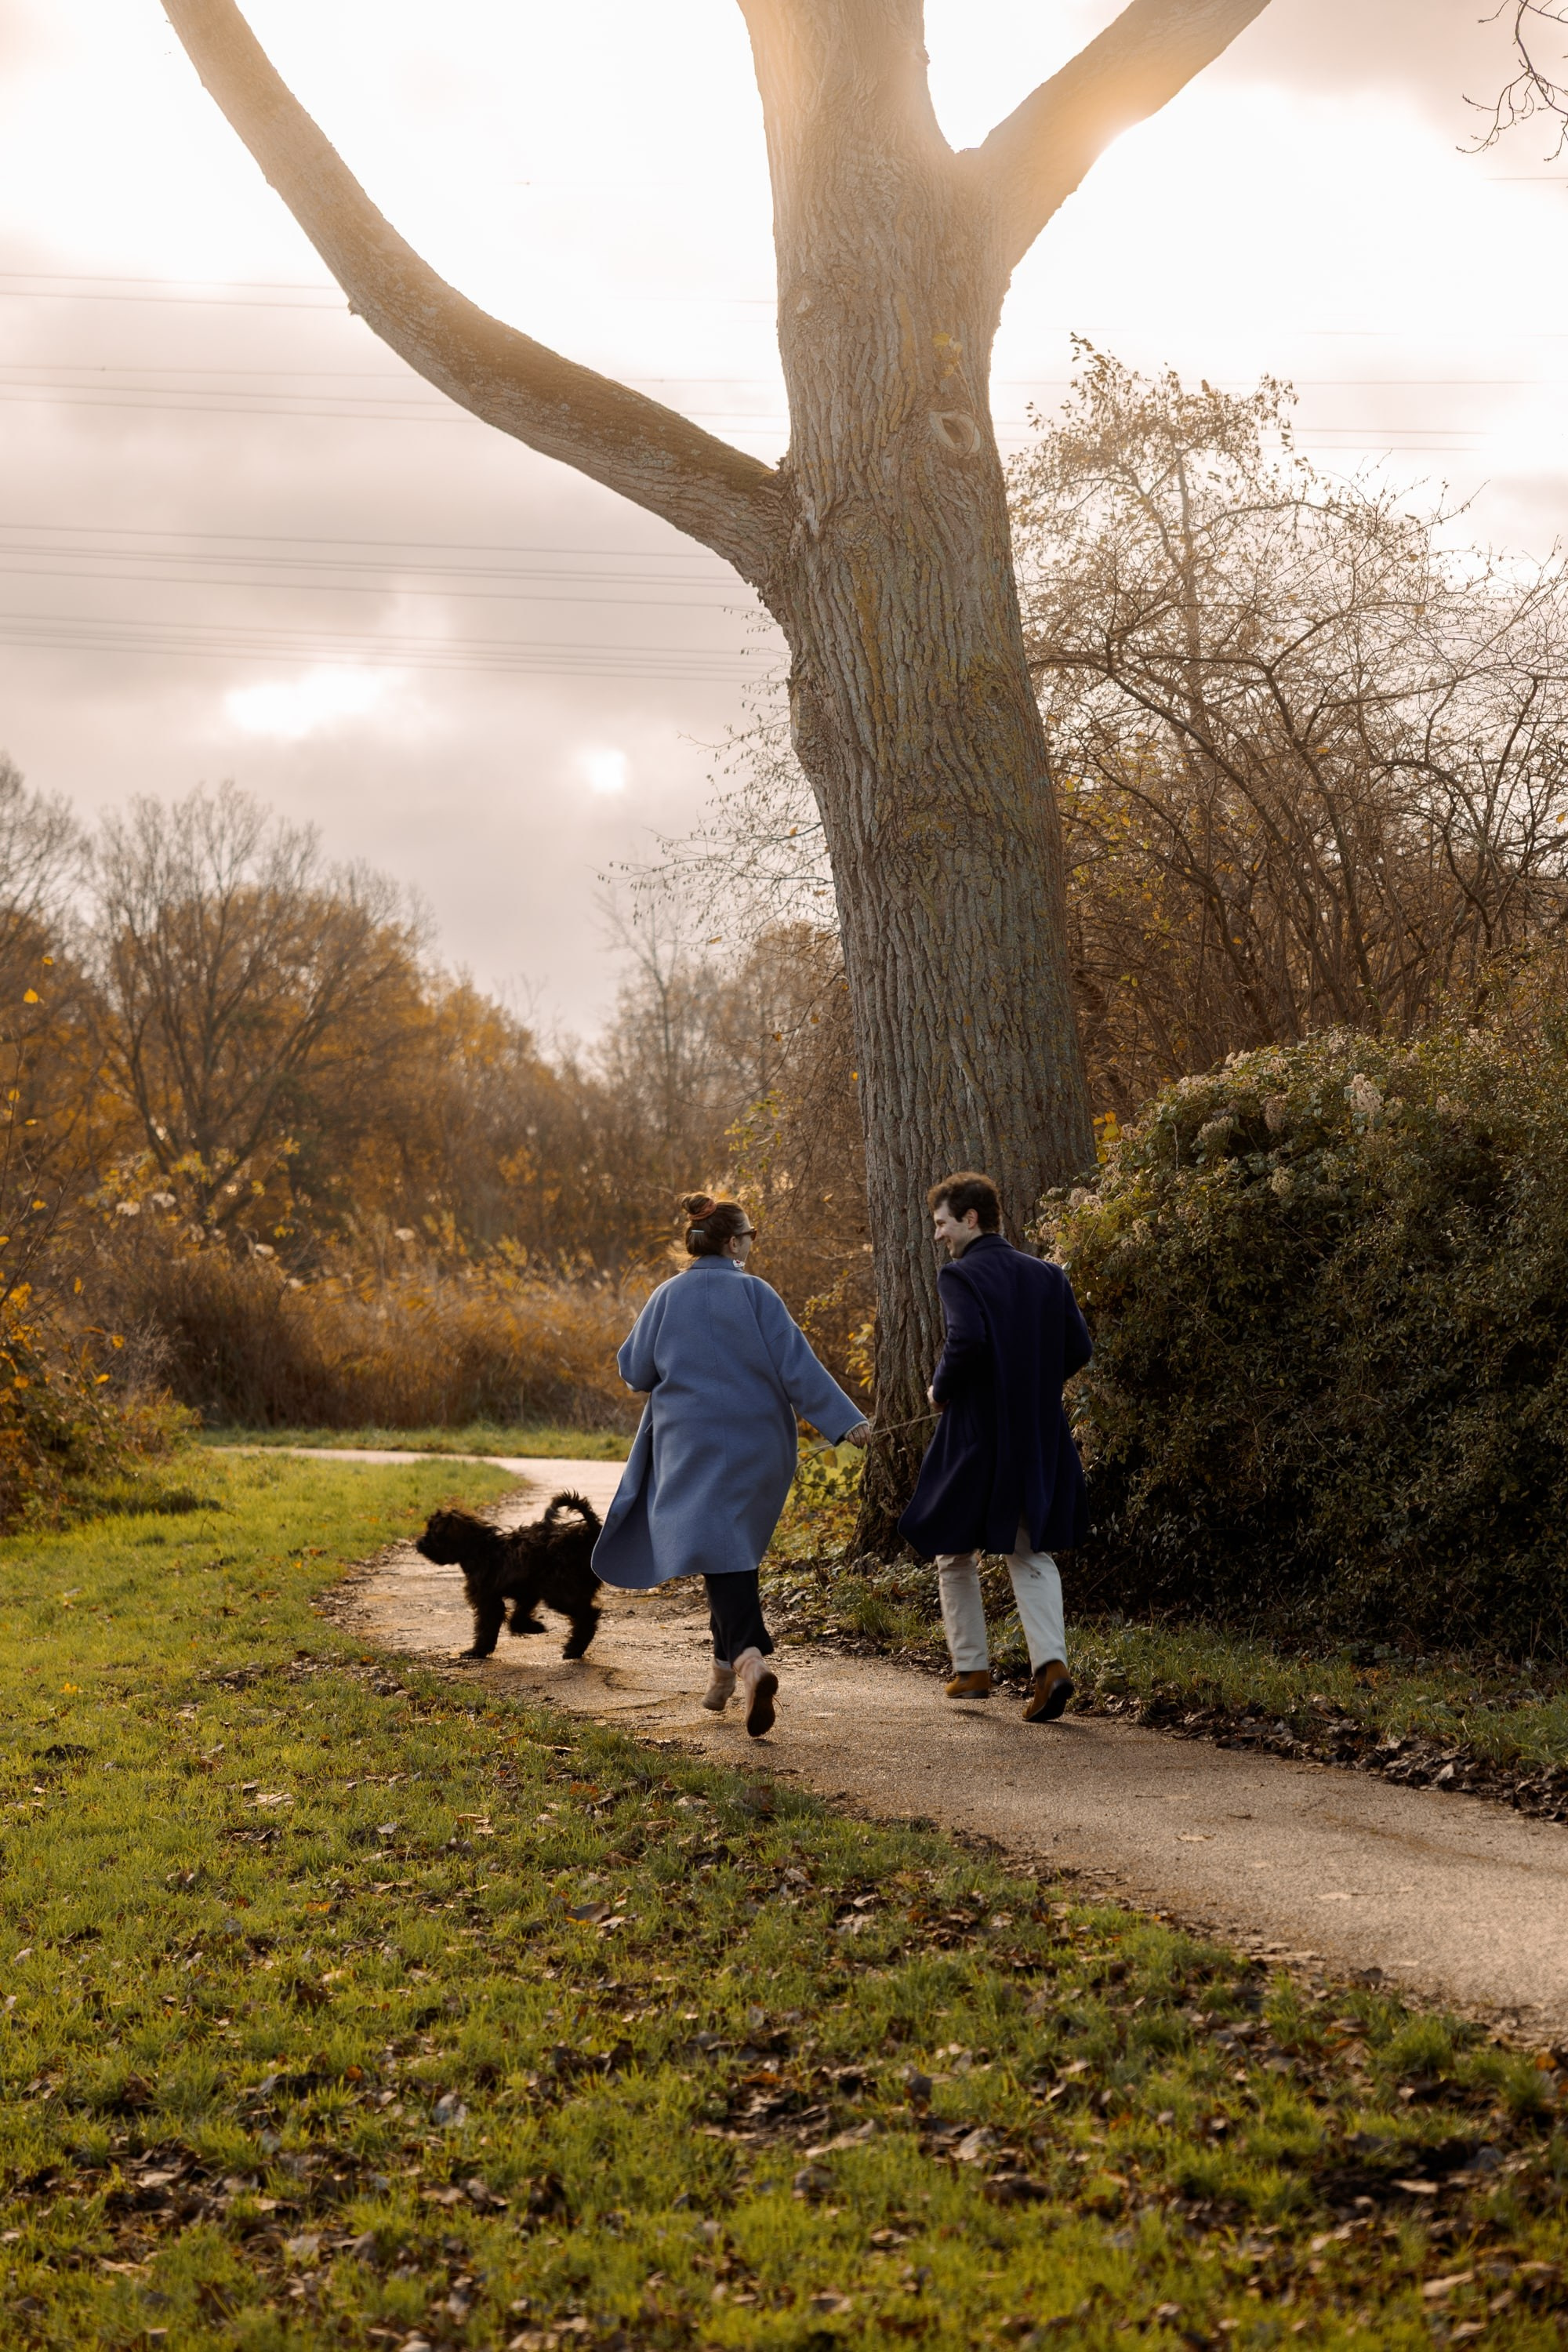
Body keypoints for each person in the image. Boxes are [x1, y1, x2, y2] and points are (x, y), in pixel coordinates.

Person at [592, 1193, 870, 1736]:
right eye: (749, 1238)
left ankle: (750, 1662)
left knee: (721, 1553)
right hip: (756, 1446)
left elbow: (633, 1370)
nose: (751, 1246)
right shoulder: (756, 1294)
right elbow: (799, 1367)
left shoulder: (666, 1297)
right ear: (733, 1242)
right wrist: (846, 1422)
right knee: (726, 1549)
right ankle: (722, 1673)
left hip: (690, 1447)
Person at [898, 1171, 1092, 1724]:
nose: (938, 1237)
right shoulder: (1049, 1275)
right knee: (1029, 1548)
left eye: (942, 1224)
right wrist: (1032, 1382)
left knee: (951, 1545)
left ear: (971, 1219)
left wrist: (941, 1388)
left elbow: (968, 1340)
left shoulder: (960, 1276)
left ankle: (972, 1669)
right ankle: (1051, 1668)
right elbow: (1079, 1347)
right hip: (1036, 1429)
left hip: (977, 1434)